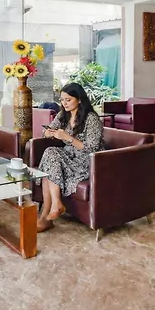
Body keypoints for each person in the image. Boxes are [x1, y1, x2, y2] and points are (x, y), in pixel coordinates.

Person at [37, 83, 104, 233]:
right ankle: (54, 206)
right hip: (70, 155)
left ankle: (46, 218)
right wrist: (48, 133)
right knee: (50, 153)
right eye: (62, 100)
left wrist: (67, 137)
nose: (64, 103)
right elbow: (46, 131)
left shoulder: (91, 118)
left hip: (88, 161)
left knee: (49, 164)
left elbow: (92, 148)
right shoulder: (63, 114)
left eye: (68, 100)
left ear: (79, 99)